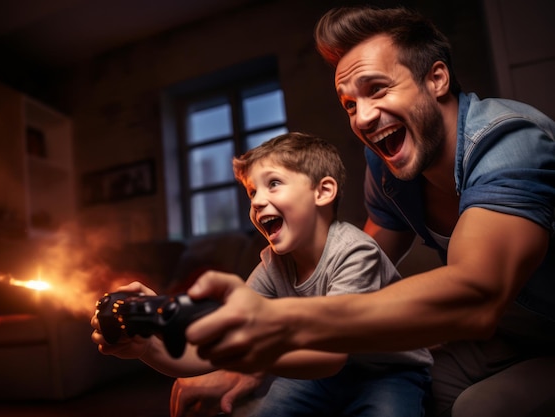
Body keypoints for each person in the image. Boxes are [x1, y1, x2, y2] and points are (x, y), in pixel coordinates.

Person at [172, 5, 555, 417]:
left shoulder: (510, 142)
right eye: (350, 104)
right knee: (398, 385)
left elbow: (475, 295)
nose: (364, 118)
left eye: (377, 89)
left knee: (479, 408)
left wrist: (275, 329)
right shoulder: (390, 166)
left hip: (536, 332)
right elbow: (357, 269)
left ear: (436, 79)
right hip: (504, 337)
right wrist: (247, 367)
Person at [92, 132, 432, 416]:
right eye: (252, 191)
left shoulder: (355, 253)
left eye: (273, 184)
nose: (256, 201)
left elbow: (328, 357)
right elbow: (207, 351)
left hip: (387, 372)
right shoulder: (272, 265)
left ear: (323, 192)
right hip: (322, 376)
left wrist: (248, 355)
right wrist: (147, 346)